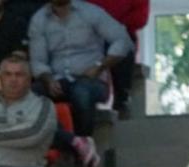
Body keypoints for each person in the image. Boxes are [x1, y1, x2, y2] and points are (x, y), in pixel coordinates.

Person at [29, 0, 132, 137]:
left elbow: (122, 40)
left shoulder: (91, 12)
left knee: (81, 93)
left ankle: (84, 143)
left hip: (92, 80)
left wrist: (99, 66)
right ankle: (55, 142)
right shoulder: (39, 19)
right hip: (58, 80)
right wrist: (48, 79)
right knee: (29, 94)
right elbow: (38, 60)